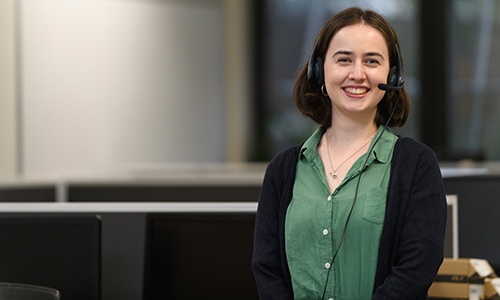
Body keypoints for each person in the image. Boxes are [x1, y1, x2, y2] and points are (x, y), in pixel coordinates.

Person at [252, 7, 447, 300]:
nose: (357, 74)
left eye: (371, 61)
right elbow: (267, 269)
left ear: (391, 75)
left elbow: (418, 266)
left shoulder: (416, 165)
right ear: (320, 70)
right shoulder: (283, 170)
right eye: (344, 59)